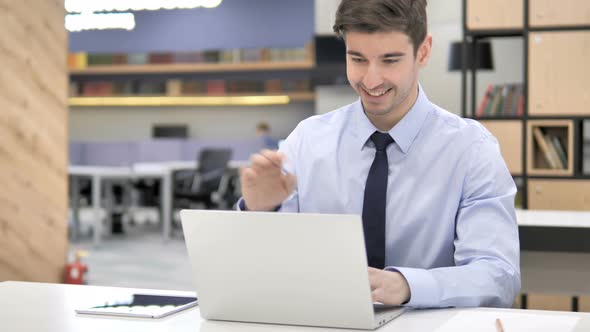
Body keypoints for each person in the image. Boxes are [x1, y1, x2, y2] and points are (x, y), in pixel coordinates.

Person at [239, 0, 520, 309]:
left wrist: (408, 285)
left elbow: (497, 275)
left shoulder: (471, 149)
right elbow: (265, 270)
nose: (371, 80)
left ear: (423, 52)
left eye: (390, 60)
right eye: (357, 59)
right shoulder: (306, 140)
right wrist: (261, 211)